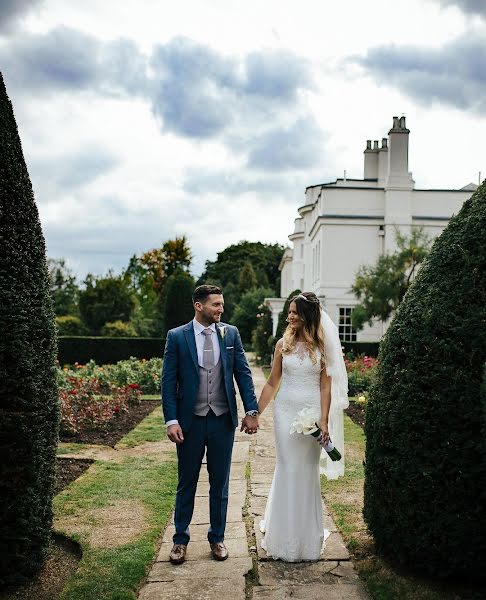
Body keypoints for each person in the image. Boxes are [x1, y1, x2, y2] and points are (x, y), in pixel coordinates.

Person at [162, 284, 260, 565]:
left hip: (221, 421)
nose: (221, 309)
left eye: (222, 305)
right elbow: (168, 382)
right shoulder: (177, 337)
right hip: (189, 423)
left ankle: (217, 538)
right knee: (186, 482)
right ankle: (180, 540)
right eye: (216, 304)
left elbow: (243, 373)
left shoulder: (231, 333)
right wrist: (171, 420)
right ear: (198, 305)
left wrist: (251, 410)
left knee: (221, 483)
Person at [257, 292, 348, 562]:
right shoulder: (281, 345)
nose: (290, 315)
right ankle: (282, 537)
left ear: (307, 315)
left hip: (311, 416)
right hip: (285, 413)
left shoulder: (322, 348)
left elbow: (325, 387)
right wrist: (255, 412)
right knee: (287, 467)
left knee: (306, 471)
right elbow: (273, 382)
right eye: (290, 311)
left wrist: (323, 420)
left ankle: (307, 539)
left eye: (295, 311)